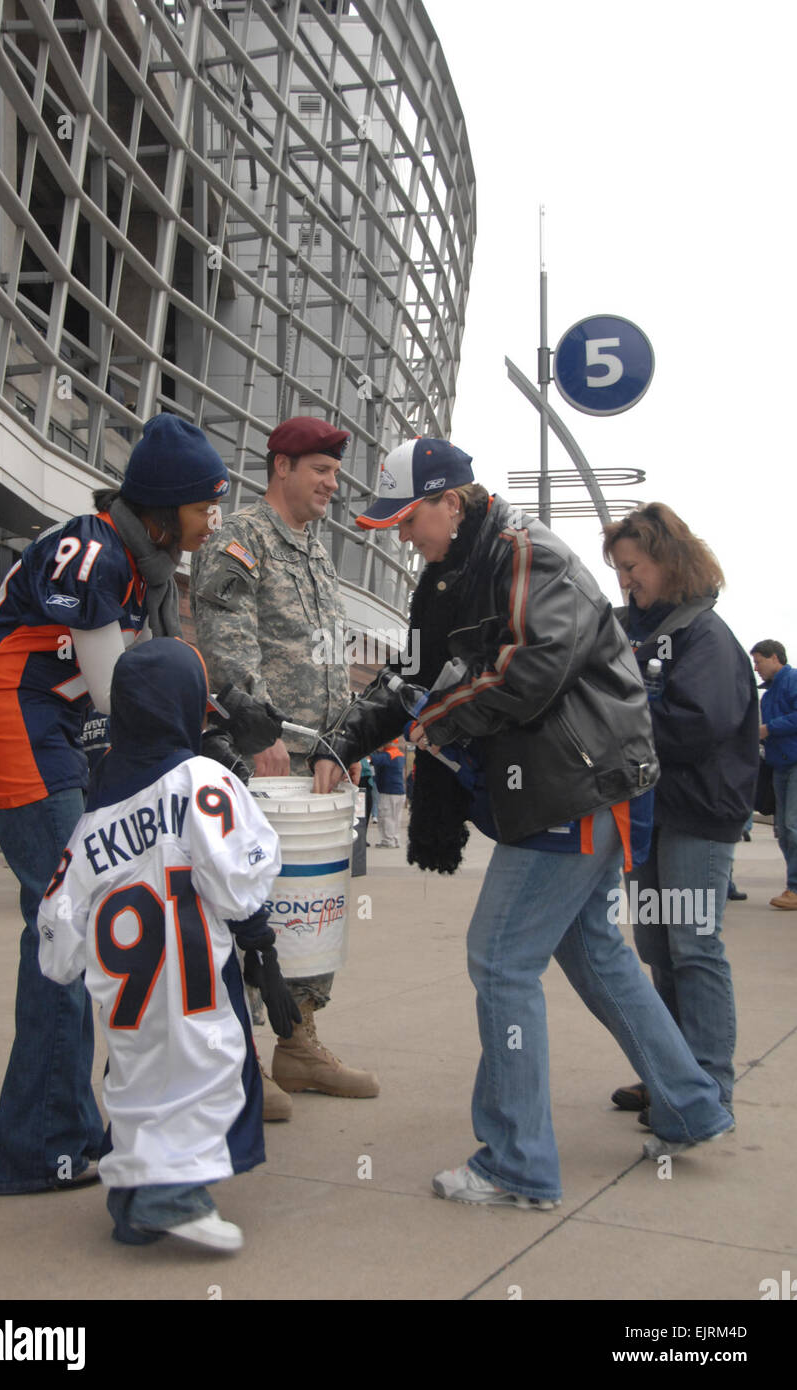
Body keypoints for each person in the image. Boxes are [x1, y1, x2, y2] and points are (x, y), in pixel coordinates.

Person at [313, 438, 735, 1208]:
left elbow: (530, 669)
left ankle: (517, 1163)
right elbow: (410, 675)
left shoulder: (523, 553)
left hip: (571, 785)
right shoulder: (458, 569)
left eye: (409, 519)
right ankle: (692, 1104)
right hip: (570, 784)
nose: (403, 537)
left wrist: (432, 725)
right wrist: (345, 740)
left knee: (500, 960)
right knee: (598, 957)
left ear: (453, 500)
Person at [0, 414, 250, 1194]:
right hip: (14, 721)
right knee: (64, 919)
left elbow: (146, 687)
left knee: (67, 920)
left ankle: (62, 1127)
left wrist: (216, 717)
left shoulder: (141, 562)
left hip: (49, 729)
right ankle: (38, 1143)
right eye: (204, 505)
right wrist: (207, 738)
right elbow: (126, 694)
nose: (212, 520)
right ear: (163, 505)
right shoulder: (97, 550)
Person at [38, 639, 296, 1250]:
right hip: (197, 989)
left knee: (135, 1090)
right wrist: (263, 952)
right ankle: (171, 1199)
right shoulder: (201, 780)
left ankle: (131, 1203)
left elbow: (56, 949)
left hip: (128, 1011)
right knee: (206, 1083)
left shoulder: (89, 824)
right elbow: (240, 885)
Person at [191, 415, 378, 1106]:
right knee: (252, 911)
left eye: (334, 470)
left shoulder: (314, 552)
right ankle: (236, 1062)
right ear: (281, 467)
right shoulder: (242, 539)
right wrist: (255, 731)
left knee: (312, 911)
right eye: (320, 470)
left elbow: (329, 657)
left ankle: (298, 1046)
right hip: (265, 762)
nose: (332, 483)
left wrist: (342, 742)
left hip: (317, 767)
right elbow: (228, 642)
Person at [602, 504, 758, 1126]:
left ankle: (709, 1088)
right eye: (617, 570)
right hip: (651, 813)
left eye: (633, 567)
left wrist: (615, 720)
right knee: (659, 948)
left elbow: (697, 727)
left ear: (667, 560)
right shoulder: (640, 632)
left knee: (694, 948)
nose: (625, 581)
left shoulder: (707, 636)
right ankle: (672, 1071)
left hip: (696, 815)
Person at [749, 641, 797, 909]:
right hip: (780, 765)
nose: (756, 668)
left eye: (758, 661)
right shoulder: (767, 695)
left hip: (794, 763)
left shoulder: (793, 681)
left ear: (775, 658)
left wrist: (768, 729)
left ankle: (795, 888)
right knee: (783, 829)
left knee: (791, 826)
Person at [370, 738, 406, 847]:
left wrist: (373, 750)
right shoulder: (399, 754)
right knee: (396, 818)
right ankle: (395, 840)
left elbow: (373, 760)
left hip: (388, 792)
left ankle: (387, 841)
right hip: (399, 792)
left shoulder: (388, 755)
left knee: (386, 817)